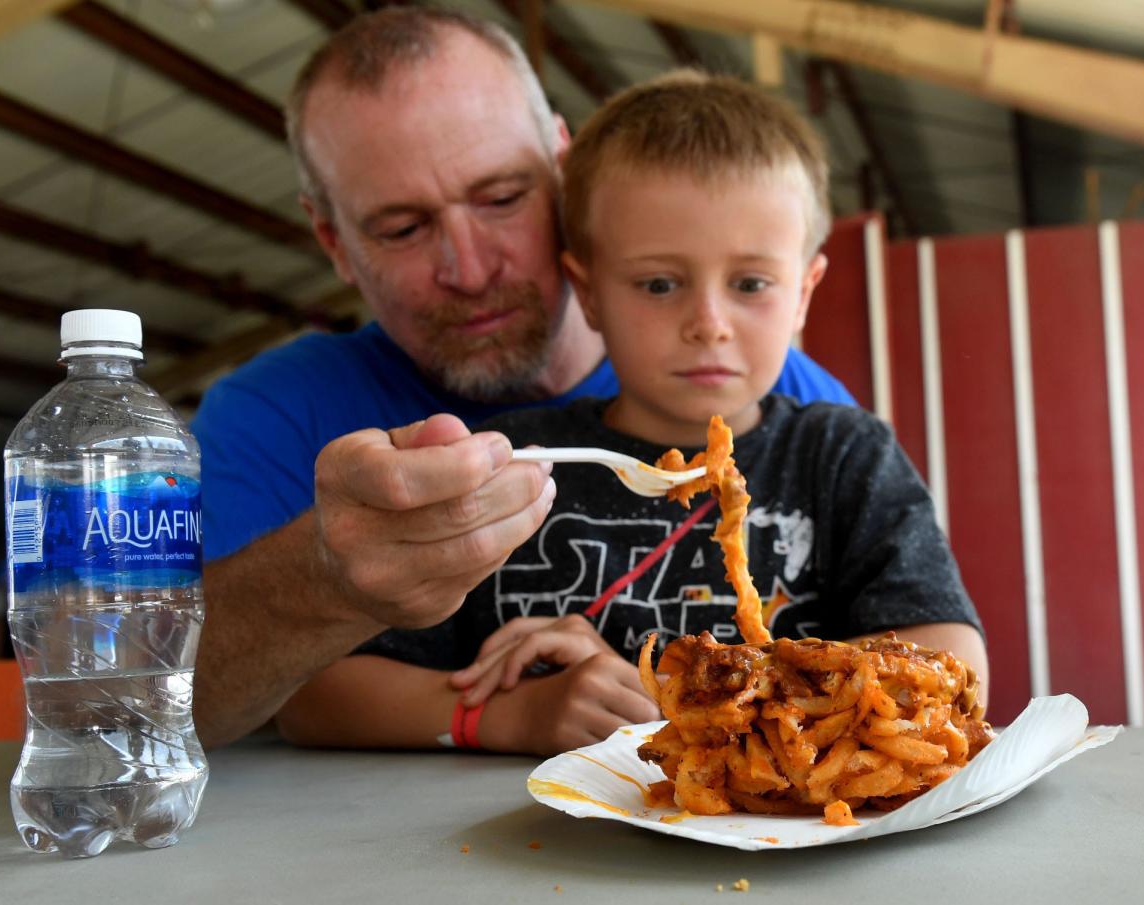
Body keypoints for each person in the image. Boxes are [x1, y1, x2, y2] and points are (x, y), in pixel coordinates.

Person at [189, 8, 854, 748]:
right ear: (333, 242)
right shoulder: (272, 416)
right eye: (403, 229)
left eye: (503, 198)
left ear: (564, 168)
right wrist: (324, 576)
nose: (470, 270)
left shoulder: (783, 402)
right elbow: (131, 702)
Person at [272, 71, 989, 756]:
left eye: (750, 282)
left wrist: (676, 689)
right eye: (658, 283)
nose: (708, 322)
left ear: (803, 291)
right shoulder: (513, 465)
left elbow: (955, 665)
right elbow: (317, 694)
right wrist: (509, 714)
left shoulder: (842, 453)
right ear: (587, 291)